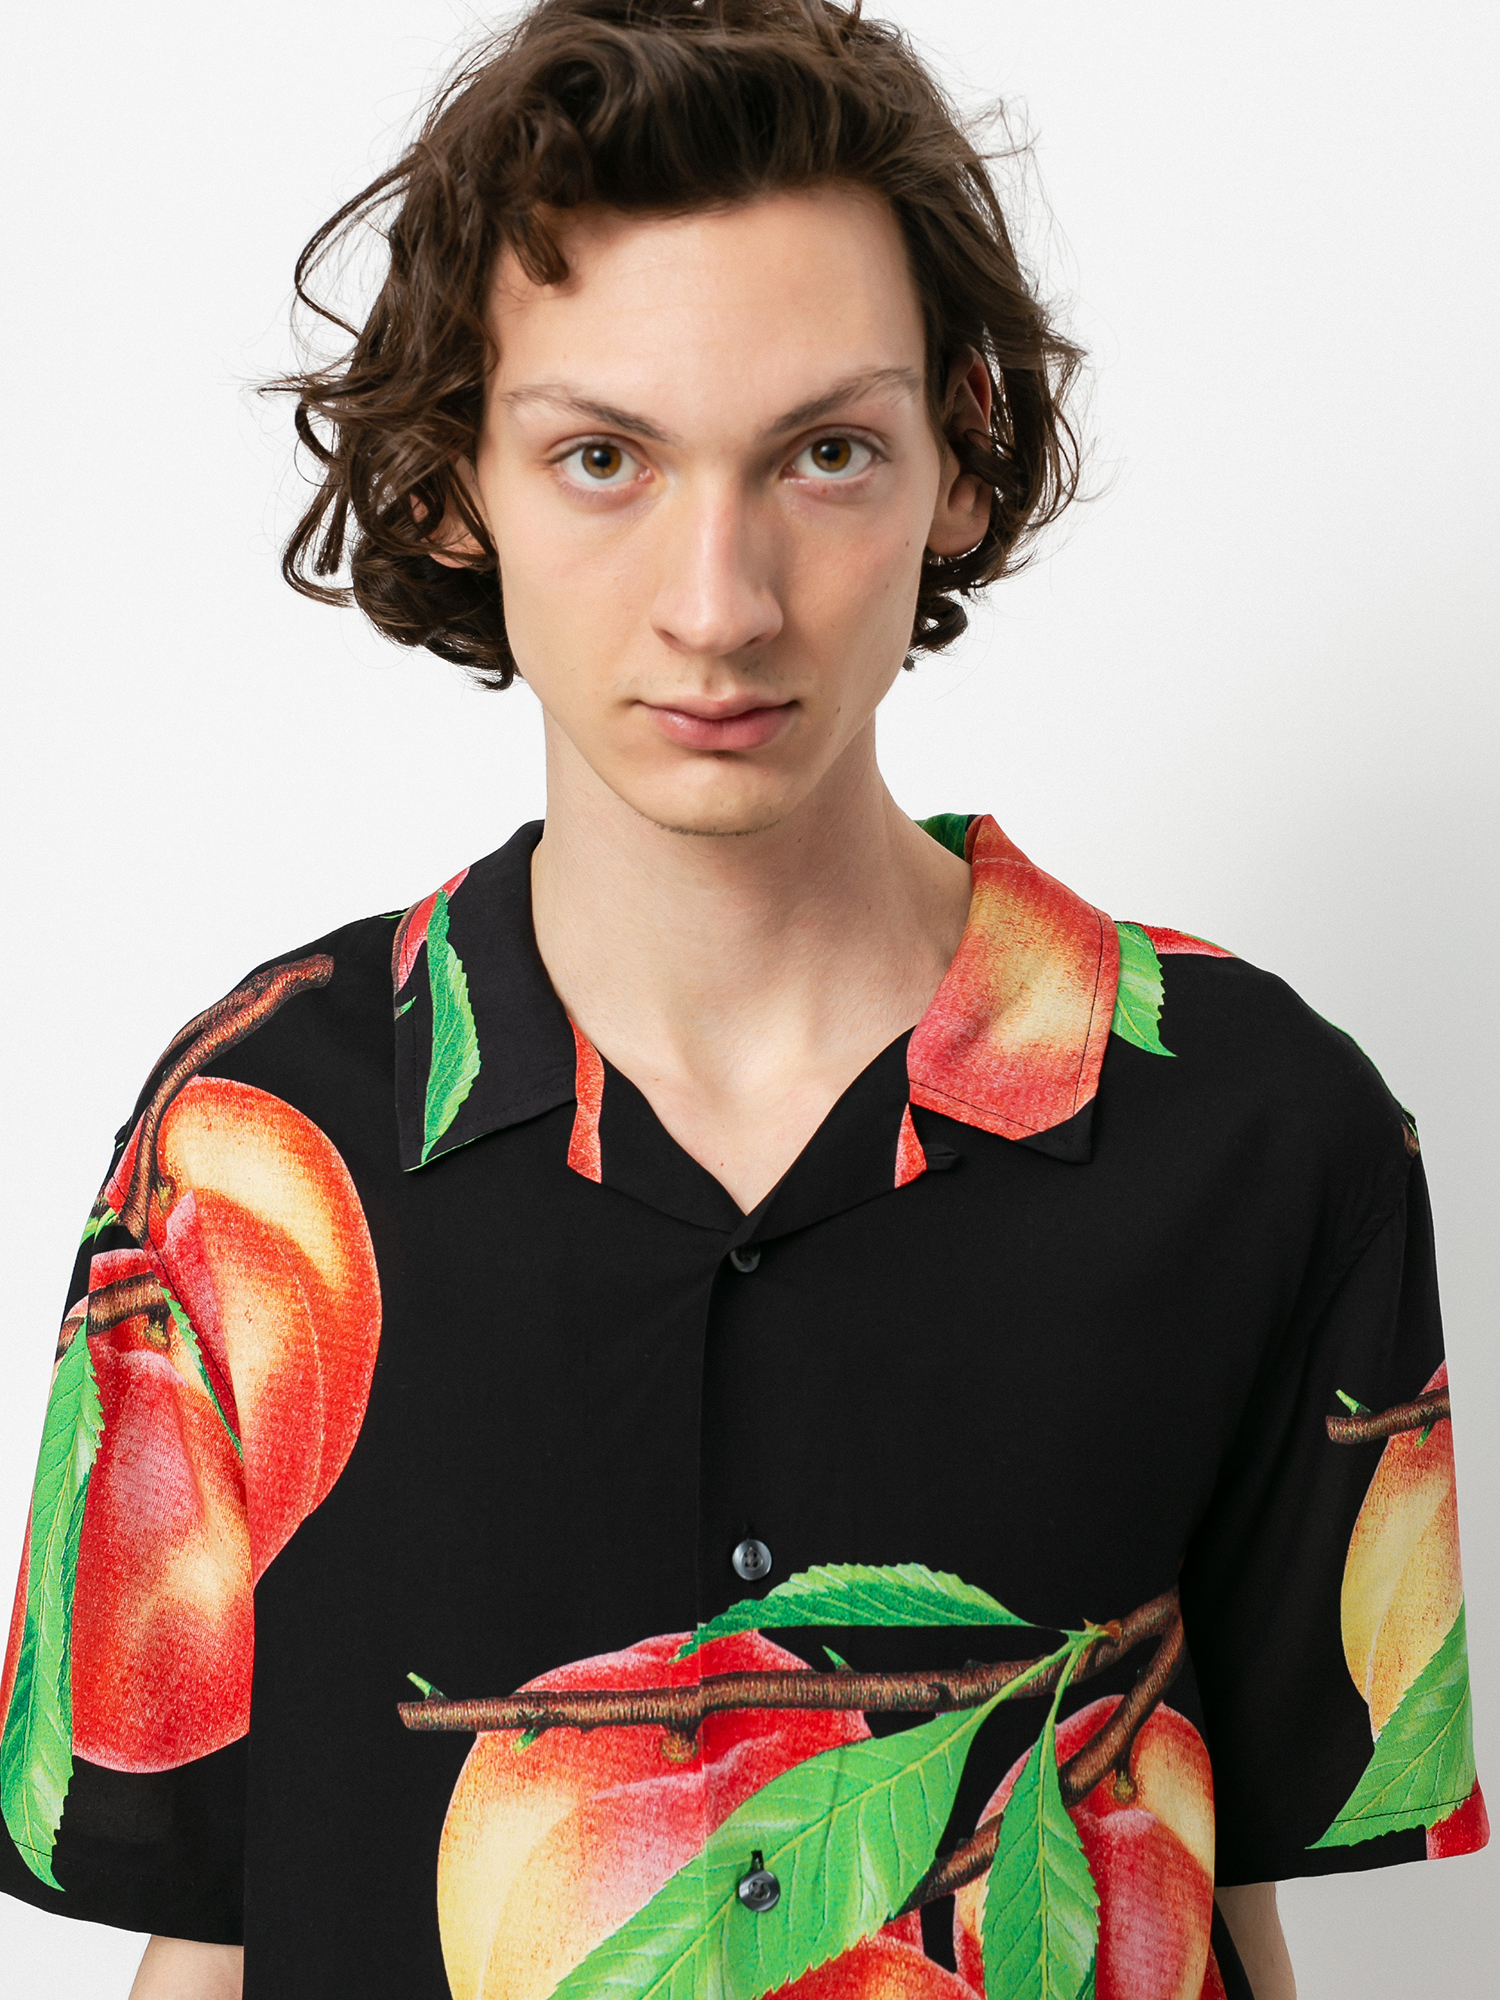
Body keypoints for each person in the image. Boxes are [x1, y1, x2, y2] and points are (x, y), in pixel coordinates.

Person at [0, 3, 1485, 1997]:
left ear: (961, 459)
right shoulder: (249, 1145)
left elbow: (1213, 1907)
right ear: (454, 485)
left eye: (825, 453)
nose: (721, 601)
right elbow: (211, 1933)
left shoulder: (1265, 1135)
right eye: (603, 457)